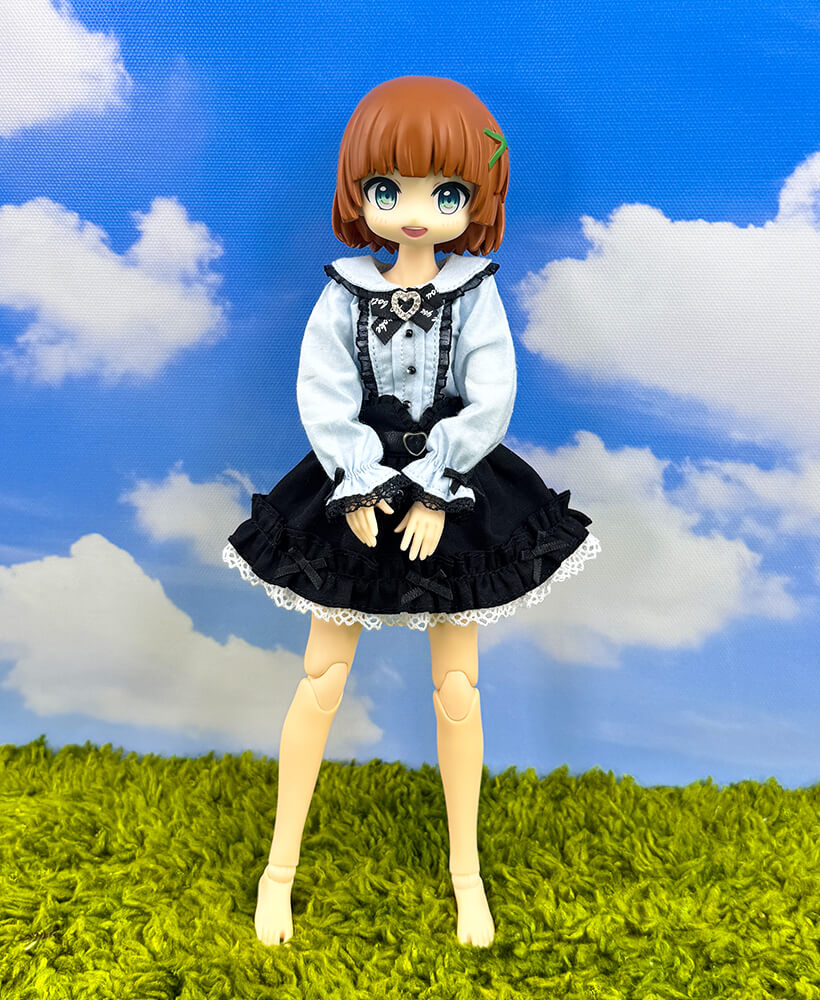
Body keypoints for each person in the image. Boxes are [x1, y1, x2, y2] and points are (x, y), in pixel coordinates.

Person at [223, 76, 601, 946]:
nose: (418, 214)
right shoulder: (343, 289)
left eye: (448, 193)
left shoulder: (475, 291)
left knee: (458, 687)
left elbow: (491, 391)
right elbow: (323, 389)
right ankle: (279, 870)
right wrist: (355, 478)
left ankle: (467, 876)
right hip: (353, 485)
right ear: (359, 193)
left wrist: (438, 484)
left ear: (477, 197)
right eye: (389, 190)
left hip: (454, 489)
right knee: (321, 679)